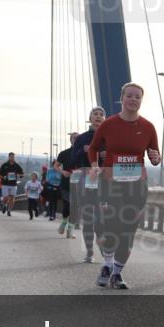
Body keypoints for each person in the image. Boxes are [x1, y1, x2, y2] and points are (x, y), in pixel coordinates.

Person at [88, 83, 160, 290]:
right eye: (129, 96)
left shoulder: (148, 127)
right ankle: (107, 265)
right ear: (122, 98)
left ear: (141, 101)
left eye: (137, 97)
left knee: (128, 229)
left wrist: (156, 157)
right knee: (111, 224)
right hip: (111, 182)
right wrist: (94, 165)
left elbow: (154, 155)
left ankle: (117, 273)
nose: (133, 99)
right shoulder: (109, 124)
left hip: (137, 185)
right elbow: (93, 148)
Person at [70, 107, 106, 263]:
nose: (98, 117)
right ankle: (90, 252)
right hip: (85, 179)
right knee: (88, 217)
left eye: (101, 115)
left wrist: (108, 154)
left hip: (104, 180)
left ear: (104, 119)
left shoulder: (109, 137)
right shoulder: (82, 138)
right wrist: (84, 151)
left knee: (101, 219)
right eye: (95, 114)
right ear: (90, 118)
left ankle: (105, 252)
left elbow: (117, 158)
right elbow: (72, 160)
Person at [57, 134, 78, 237]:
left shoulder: (84, 153)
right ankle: (64, 223)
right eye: (74, 138)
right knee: (67, 206)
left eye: (79, 138)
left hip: (80, 184)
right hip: (66, 183)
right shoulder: (64, 153)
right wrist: (62, 171)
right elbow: (56, 165)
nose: (77, 139)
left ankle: (70, 229)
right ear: (71, 140)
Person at [0, 152, 23, 216]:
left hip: (13, 184)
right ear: (9, 157)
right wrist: (3, 177)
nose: (12, 158)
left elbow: (22, 173)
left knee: (12, 197)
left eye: (13, 157)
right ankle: (4, 205)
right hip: (5, 184)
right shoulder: (4, 165)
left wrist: (20, 175)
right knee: (6, 197)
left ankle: (9, 210)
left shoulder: (16, 165)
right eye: (11, 157)